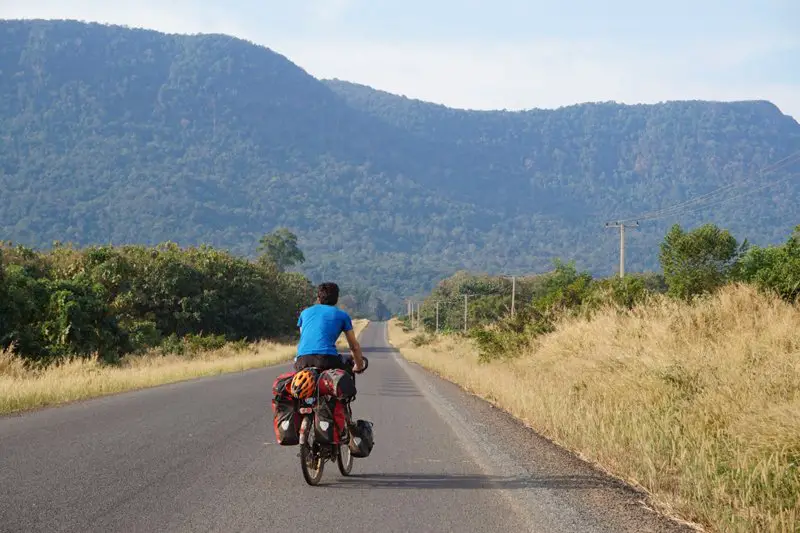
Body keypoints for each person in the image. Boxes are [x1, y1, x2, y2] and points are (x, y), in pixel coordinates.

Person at [294, 282, 365, 373]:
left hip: (302, 360)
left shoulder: (304, 313)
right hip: (327, 360)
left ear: (318, 299)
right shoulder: (342, 315)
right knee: (346, 372)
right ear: (336, 299)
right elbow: (354, 347)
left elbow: (303, 337)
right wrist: (359, 366)